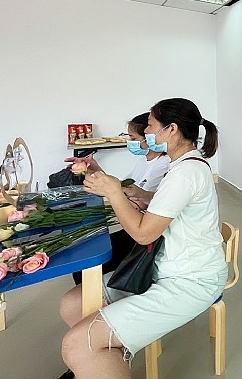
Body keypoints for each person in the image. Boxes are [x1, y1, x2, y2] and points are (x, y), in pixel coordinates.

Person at [50, 98, 226, 379]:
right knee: (73, 304)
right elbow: (161, 202)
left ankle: (96, 362)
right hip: (165, 268)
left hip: (192, 280)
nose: (146, 132)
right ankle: (104, 366)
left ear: (171, 129)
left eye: (151, 125)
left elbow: (143, 234)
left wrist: (115, 194)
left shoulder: (186, 172)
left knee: (77, 343)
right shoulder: (183, 165)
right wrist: (127, 191)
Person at [63, 112, 171, 285]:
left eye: (133, 138)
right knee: (82, 257)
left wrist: (110, 192)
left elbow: (137, 204)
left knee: (85, 265)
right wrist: (96, 170)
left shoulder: (164, 166)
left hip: (143, 235)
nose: (129, 142)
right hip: (131, 228)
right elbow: (123, 189)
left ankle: (95, 296)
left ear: (149, 138)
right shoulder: (146, 160)